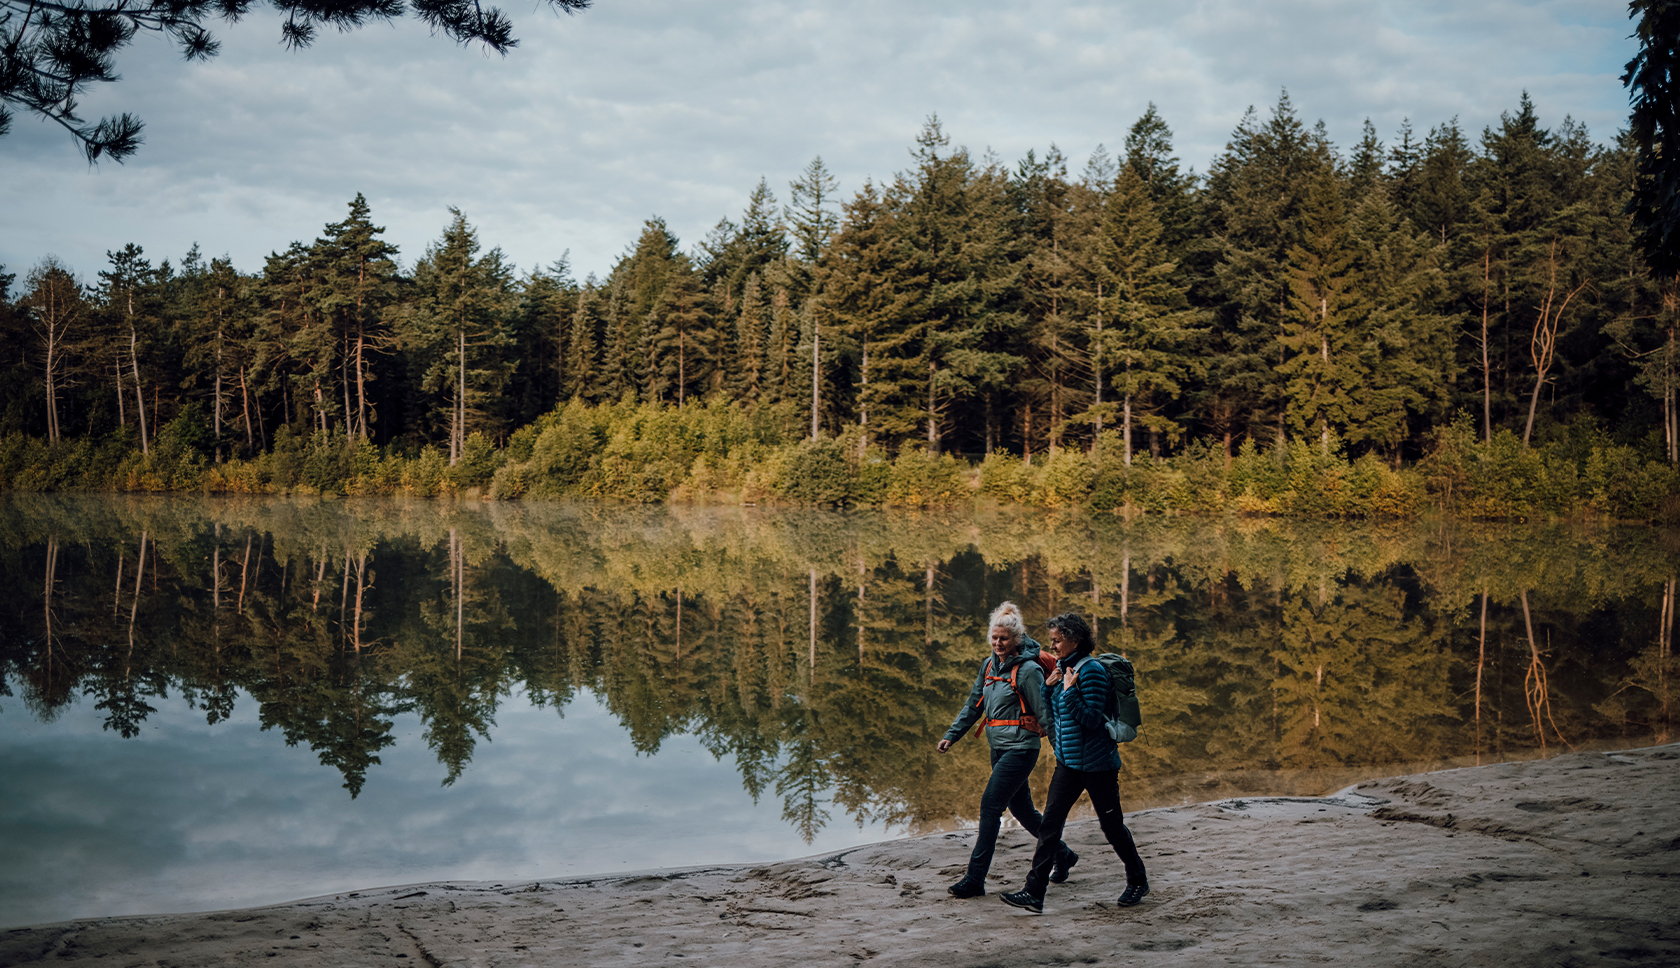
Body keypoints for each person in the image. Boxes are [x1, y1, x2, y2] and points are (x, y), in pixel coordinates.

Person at [1000, 611, 1149, 914]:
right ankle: (1034, 892)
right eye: (1052, 640)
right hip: (1068, 764)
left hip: (1098, 765)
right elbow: (1056, 717)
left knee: (1112, 826)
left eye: (1056, 641)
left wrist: (1068, 692)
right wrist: (1050, 686)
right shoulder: (1063, 668)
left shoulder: (1091, 671)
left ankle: (1137, 879)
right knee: (1050, 826)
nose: (1052, 646)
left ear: (1074, 639)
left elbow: (1092, 719)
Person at [937, 601, 1077, 898]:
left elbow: (1045, 714)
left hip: (1021, 749)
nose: (998, 643)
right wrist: (952, 735)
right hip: (998, 748)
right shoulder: (988, 666)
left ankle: (975, 879)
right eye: (994, 637)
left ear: (1016, 639)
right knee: (1023, 810)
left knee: (990, 806)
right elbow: (974, 703)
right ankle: (1063, 855)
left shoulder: (1028, 670)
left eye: (1003, 638)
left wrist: (1063, 752)